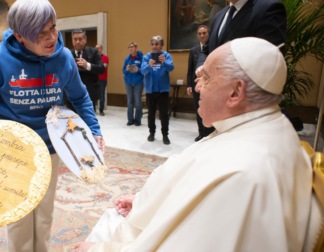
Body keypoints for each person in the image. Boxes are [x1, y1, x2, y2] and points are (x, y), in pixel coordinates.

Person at [73, 37, 313, 252]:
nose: (196, 88)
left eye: (205, 78)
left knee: (104, 228)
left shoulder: (240, 174)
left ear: (235, 92)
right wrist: (145, 201)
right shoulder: (268, 125)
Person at [0, 1, 104, 251]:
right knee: (18, 215)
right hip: (10, 150)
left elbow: (80, 97)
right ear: (20, 36)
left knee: (44, 212)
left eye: (53, 28)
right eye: (40, 34)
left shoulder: (64, 57)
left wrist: (94, 131)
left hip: (48, 146)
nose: (51, 38)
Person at [198, 0, 286, 66]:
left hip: (244, 89)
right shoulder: (218, 16)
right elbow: (206, 50)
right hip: (213, 88)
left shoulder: (268, 8)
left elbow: (269, 59)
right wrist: (201, 67)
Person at [140, 35, 174, 145]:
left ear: (161, 45)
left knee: (164, 114)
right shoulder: (146, 57)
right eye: (153, 44)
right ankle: (152, 133)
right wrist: (149, 65)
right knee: (151, 113)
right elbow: (143, 71)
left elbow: (171, 68)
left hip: (163, 90)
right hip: (150, 90)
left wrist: (165, 62)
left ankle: (165, 135)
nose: (154, 46)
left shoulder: (166, 55)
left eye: (157, 44)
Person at [68, 29, 105, 112]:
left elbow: (101, 68)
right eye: (75, 39)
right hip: (71, 95)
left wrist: (87, 65)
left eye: (80, 39)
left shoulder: (94, 52)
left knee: (88, 122)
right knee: (72, 122)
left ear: (85, 40)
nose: (77, 42)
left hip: (89, 94)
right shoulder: (68, 54)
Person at [187, 25, 213, 141]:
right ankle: (201, 133)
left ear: (209, 34)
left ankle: (211, 133)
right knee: (199, 109)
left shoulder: (213, 48)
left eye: (204, 33)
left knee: (210, 109)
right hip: (197, 86)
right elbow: (190, 69)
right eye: (200, 33)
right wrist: (189, 85)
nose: (202, 35)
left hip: (211, 85)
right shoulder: (193, 50)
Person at [122, 42, 144, 126]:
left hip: (138, 82)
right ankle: (130, 120)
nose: (130, 48)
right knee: (129, 102)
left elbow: (144, 70)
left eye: (132, 47)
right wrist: (127, 69)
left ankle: (138, 120)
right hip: (128, 82)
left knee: (138, 102)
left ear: (136, 48)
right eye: (129, 47)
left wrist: (138, 69)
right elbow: (123, 71)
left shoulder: (141, 58)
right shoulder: (127, 59)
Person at [95, 44, 109, 116]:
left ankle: (101, 110)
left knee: (101, 95)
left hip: (102, 79)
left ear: (102, 49)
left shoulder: (105, 58)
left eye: (99, 48)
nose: (97, 49)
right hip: (94, 78)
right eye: (96, 48)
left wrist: (94, 66)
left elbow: (103, 67)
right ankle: (93, 109)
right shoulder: (93, 57)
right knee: (93, 94)